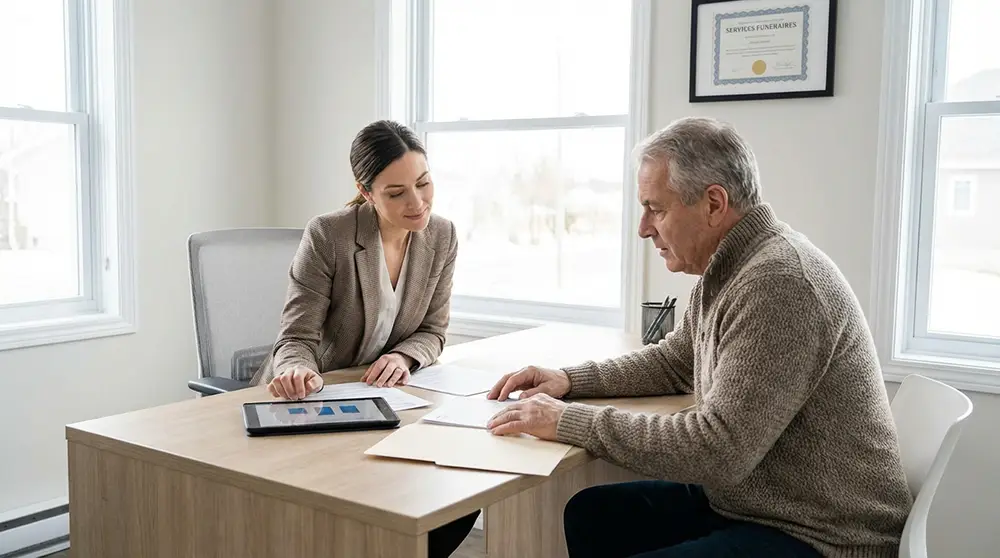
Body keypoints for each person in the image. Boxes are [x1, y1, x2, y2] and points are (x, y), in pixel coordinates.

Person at [485, 117, 914, 558]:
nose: (643, 228)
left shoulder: (779, 283)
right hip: (758, 505)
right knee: (591, 514)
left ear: (713, 203)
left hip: (822, 537)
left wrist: (568, 420)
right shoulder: (733, 266)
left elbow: (719, 450)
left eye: (657, 208)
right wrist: (569, 381)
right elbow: (674, 361)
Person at [250, 120, 477, 558]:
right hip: (316, 403)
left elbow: (433, 330)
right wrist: (297, 368)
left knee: (454, 494)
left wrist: (405, 356)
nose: (417, 202)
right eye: (396, 193)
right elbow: (296, 336)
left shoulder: (441, 235)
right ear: (366, 191)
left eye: (424, 183)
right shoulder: (329, 235)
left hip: (384, 399)